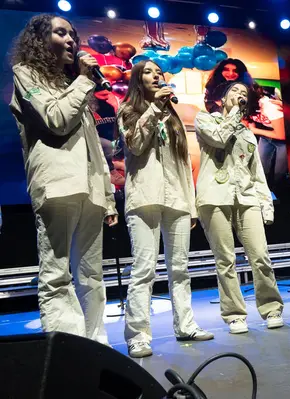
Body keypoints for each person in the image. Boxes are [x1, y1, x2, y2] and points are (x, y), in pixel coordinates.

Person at [8, 14, 117, 344]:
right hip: (57, 184)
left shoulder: (74, 87)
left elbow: (96, 150)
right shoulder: (25, 74)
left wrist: (109, 196)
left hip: (91, 189)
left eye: (73, 34)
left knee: (91, 275)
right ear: (40, 39)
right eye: (61, 33)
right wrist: (84, 82)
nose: (71, 39)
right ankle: (66, 353)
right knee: (57, 274)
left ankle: (97, 349)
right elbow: (55, 119)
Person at [118, 60, 213, 358]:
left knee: (180, 269)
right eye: (148, 71)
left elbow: (184, 163)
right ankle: (137, 335)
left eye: (159, 72)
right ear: (137, 79)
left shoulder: (172, 117)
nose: (156, 75)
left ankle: (185, 325)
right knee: (144, 269)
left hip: (177, 199)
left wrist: (192, 205)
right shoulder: (128, 110)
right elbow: (135, 145)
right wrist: (155, 109)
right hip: (145, 197)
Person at [195, 81, 285, 334]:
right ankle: (234, 314)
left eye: (244, 93)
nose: (240, 95)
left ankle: (271, 308)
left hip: (246, 198)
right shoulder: (205, 120)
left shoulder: (247, 134)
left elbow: (257, 174)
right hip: (214, 196)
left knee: (260, 255)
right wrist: (234, 114)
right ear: (222, 100)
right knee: (225, 259)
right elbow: (219, 139)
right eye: (234, 91)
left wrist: (266, 205)